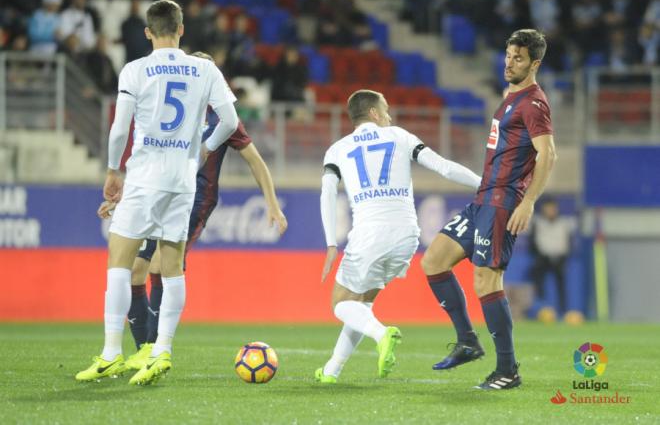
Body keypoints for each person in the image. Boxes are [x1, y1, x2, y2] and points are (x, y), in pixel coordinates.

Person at [75, 0, 240, 386]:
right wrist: (201, 151)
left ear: (148, 32)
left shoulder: (135, 69)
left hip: (145, 176)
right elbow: (230, 121)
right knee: (173, 267)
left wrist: (115, 169)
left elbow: (120, 130)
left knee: (119, 262)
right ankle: (162, 349)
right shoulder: (205, 69)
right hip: (182, 179)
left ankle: (113, 354)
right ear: (182, 29)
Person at [98, 52, 288, 367]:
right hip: (155, 191)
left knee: (161, 264)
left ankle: (155, 350)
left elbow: (256, 160)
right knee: (134, 270)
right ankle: (142, 349)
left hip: (194, 198)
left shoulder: (223, 120)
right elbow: (147, 158)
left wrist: (271, 203)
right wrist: (123, 194)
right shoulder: (169, 110)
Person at [421, 29, 557, 390]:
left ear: (535, 64)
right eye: (508, 55)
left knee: (486, 279)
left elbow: (549, 154)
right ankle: (467, 341)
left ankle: (508, 370)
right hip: (483, 197)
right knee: (434, 261)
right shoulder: (510, 97)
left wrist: (528, 202)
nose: (509, 63)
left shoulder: (533, 103)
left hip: (504, 200)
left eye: (518, 58)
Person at [316, 89, 482, 383]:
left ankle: (383, 334)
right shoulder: (399, 135)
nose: (389, 115)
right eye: (386, 109)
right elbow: (443, 167)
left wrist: (331, 242)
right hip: (407, 235)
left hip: (369, 233)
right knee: (362, 303)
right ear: (374, 114)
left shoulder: (337, 149)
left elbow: (328, 193)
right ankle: (332, 370)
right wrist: (484, 185)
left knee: (340, 303)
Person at [529, 196, 574, 316]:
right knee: (539, 282)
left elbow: (568, 242)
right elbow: (532, 242)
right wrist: (540, 254)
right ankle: (542, 309)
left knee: (561, 285)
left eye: (552, 208)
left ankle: (564, 311)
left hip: (560, 258)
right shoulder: (538, 222)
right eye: (548, 208)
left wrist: (564, 255)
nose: (550, 211)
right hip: (543, 258)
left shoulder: (564, 223)